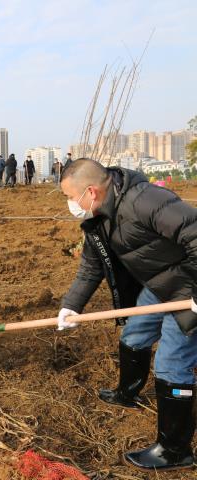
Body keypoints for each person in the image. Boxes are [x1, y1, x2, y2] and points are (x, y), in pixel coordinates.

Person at [56, 158, 197, 471]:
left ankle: (175, 451)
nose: (70, 204)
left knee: (172, 363)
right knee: (134, 334)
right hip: (159, 283)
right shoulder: (98, 217)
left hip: (189, 285)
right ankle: (127, 393)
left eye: (70, 197)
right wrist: (71, 305)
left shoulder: (146, 201)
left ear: (91, 192)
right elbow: (91, 266)